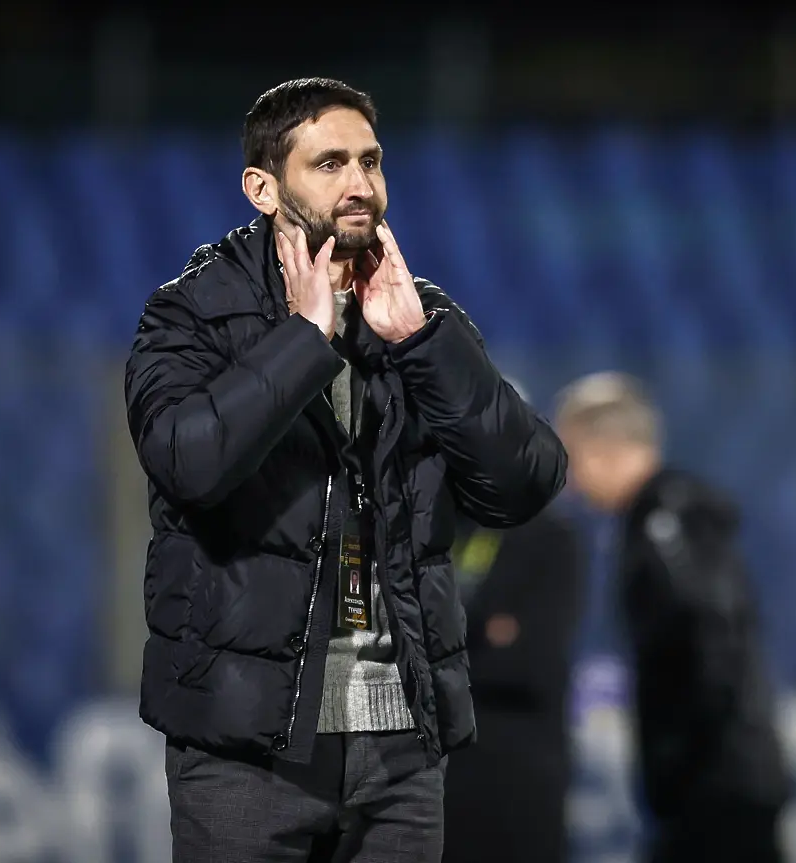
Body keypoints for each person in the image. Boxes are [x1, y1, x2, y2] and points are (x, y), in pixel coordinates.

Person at [124, 77, 567, 863]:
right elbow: (189, 464)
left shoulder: (417, 316)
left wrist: (422, 345)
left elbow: (526, 481)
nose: (360, 183)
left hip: (400, 746)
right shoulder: (192, 313)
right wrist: (304, 337)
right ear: (263, 188)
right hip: (250, 748)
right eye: (330, 163)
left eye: (371, 160)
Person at [553, 372, 789, 863]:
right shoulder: (661, 517)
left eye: (573, 459)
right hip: (714, 777)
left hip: (717, 784)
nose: (572, 482)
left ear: (604, 450)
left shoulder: (666, 522)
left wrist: (685, 754)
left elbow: (711, 630)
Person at [441, 501, 584, 863]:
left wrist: (443, 657)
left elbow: (532, 661)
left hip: (520, 777)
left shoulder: (550, 537)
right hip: (443, 776)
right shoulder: (433, 530)